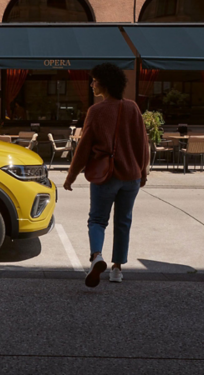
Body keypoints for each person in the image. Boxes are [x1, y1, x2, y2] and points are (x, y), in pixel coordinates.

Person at [63, 63, 149, 288]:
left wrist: (70, 177)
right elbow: (143, 143)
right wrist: (143, 171)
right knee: (123, 222)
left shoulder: (96, 111)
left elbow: (83, 148)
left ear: (105, 83)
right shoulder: (133, 108)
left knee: (98, 220)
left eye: (94, 80)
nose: (92, 84)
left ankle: (96, 257)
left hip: (106, 176)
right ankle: (117, 270)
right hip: (131, 176)